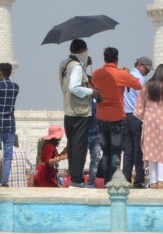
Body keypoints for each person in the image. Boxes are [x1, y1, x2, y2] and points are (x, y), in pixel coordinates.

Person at [91, 47, 142, 184]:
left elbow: (93, 86)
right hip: (117, 118)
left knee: (106, 151)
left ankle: (107, 181)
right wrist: (126, 73)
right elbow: (138, 85)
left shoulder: (97, 73)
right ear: (117, 59)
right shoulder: (121, 74)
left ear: (104, 58)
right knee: (115, 152)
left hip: (101, 117)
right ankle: (114, 181)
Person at [59, 39, 97, 188]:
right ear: (83, 50)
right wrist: (91, 92)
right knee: (80, 146)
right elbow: (74, 87)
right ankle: (77, 180)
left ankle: (75, 178)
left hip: (68, 110)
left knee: (73, 145)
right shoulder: (76, 67)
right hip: (80, 112)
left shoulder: (64, 64)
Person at [122, 56, 152, 187]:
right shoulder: (140, 80)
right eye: (147, 69)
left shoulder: (125, 76)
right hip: (136, 117)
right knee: (138, 150)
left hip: (124, 116)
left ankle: (126, 178)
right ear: (140, 65)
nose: (148, 72)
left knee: (128, 151)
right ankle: (139, 180)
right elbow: (144, 101)